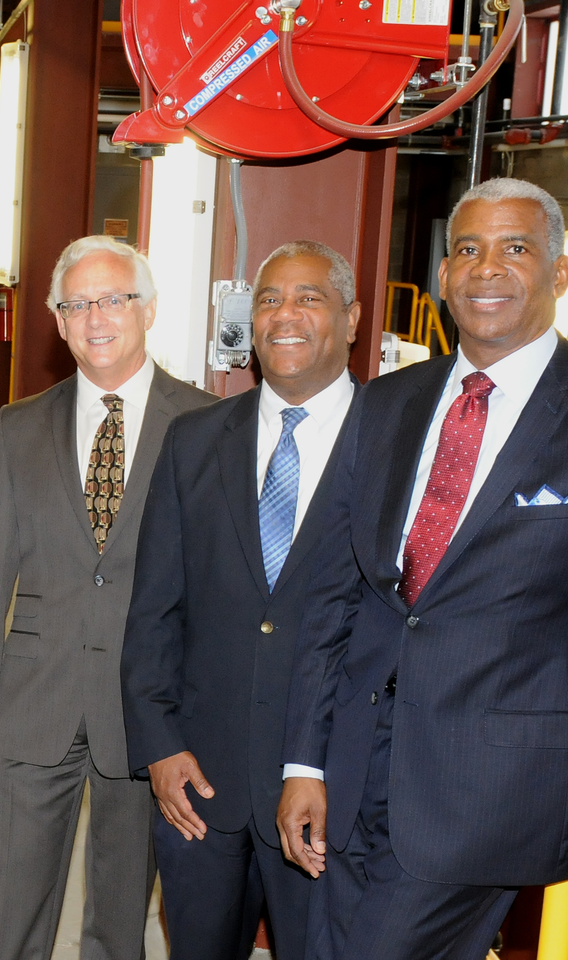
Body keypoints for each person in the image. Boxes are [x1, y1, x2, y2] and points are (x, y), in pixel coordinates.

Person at [276, 178, 568, 960]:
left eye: (515, 249)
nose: (485, 268)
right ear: (443, 274)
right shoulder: (387, 402)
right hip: (350, 770)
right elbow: (338, 592)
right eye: (467, 249)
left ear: (561, 273)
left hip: (480, 795)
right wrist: (304, 759)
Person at [0, 235, 211, 960]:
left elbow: (215, 581)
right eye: (76, 304)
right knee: (11, 910)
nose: (96, 318)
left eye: (113, 299)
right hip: (35, 700)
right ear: (57, 322)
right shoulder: (22, 423)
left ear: (148, 309)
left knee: (120, 917)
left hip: (145, 714)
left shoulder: (201, 423)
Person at [122, 240, 361, 959]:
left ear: (351, 319)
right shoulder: (193, 441)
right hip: (201, 784)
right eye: (268, 300)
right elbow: (155, 607)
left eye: (309, 298)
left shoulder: (392, 441)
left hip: (331, 789)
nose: (284, 315)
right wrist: (160, 747)